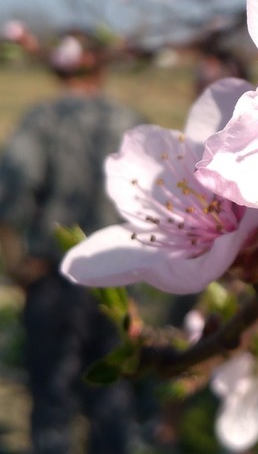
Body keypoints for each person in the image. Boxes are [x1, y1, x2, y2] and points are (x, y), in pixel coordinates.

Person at [0, 31, 142, 454]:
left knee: (51, 396)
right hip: (118, 277)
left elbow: (11, 197)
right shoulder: (128, 120)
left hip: (54, 276)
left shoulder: (41, 120)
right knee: (113, 395)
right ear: (100, 66)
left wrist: (15, 266)